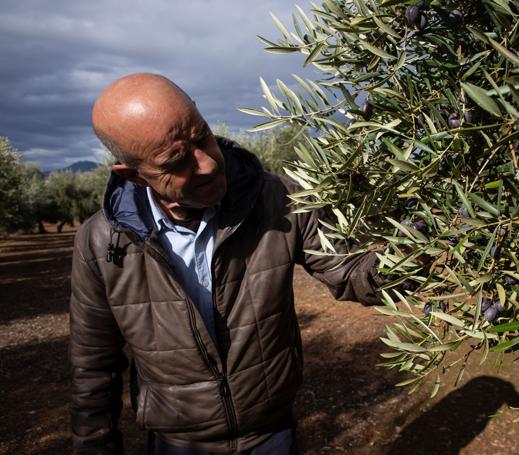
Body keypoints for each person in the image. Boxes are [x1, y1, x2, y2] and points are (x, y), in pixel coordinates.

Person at [69, 73, 381, 455]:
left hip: (272, 435)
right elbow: (93, 368)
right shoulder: (103, 242)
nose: (206, 164)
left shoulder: (276, 197)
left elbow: (353, 272)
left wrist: (431, 250)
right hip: (177, 445)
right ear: (133, 174)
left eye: (201, 137)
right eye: (177, 160)